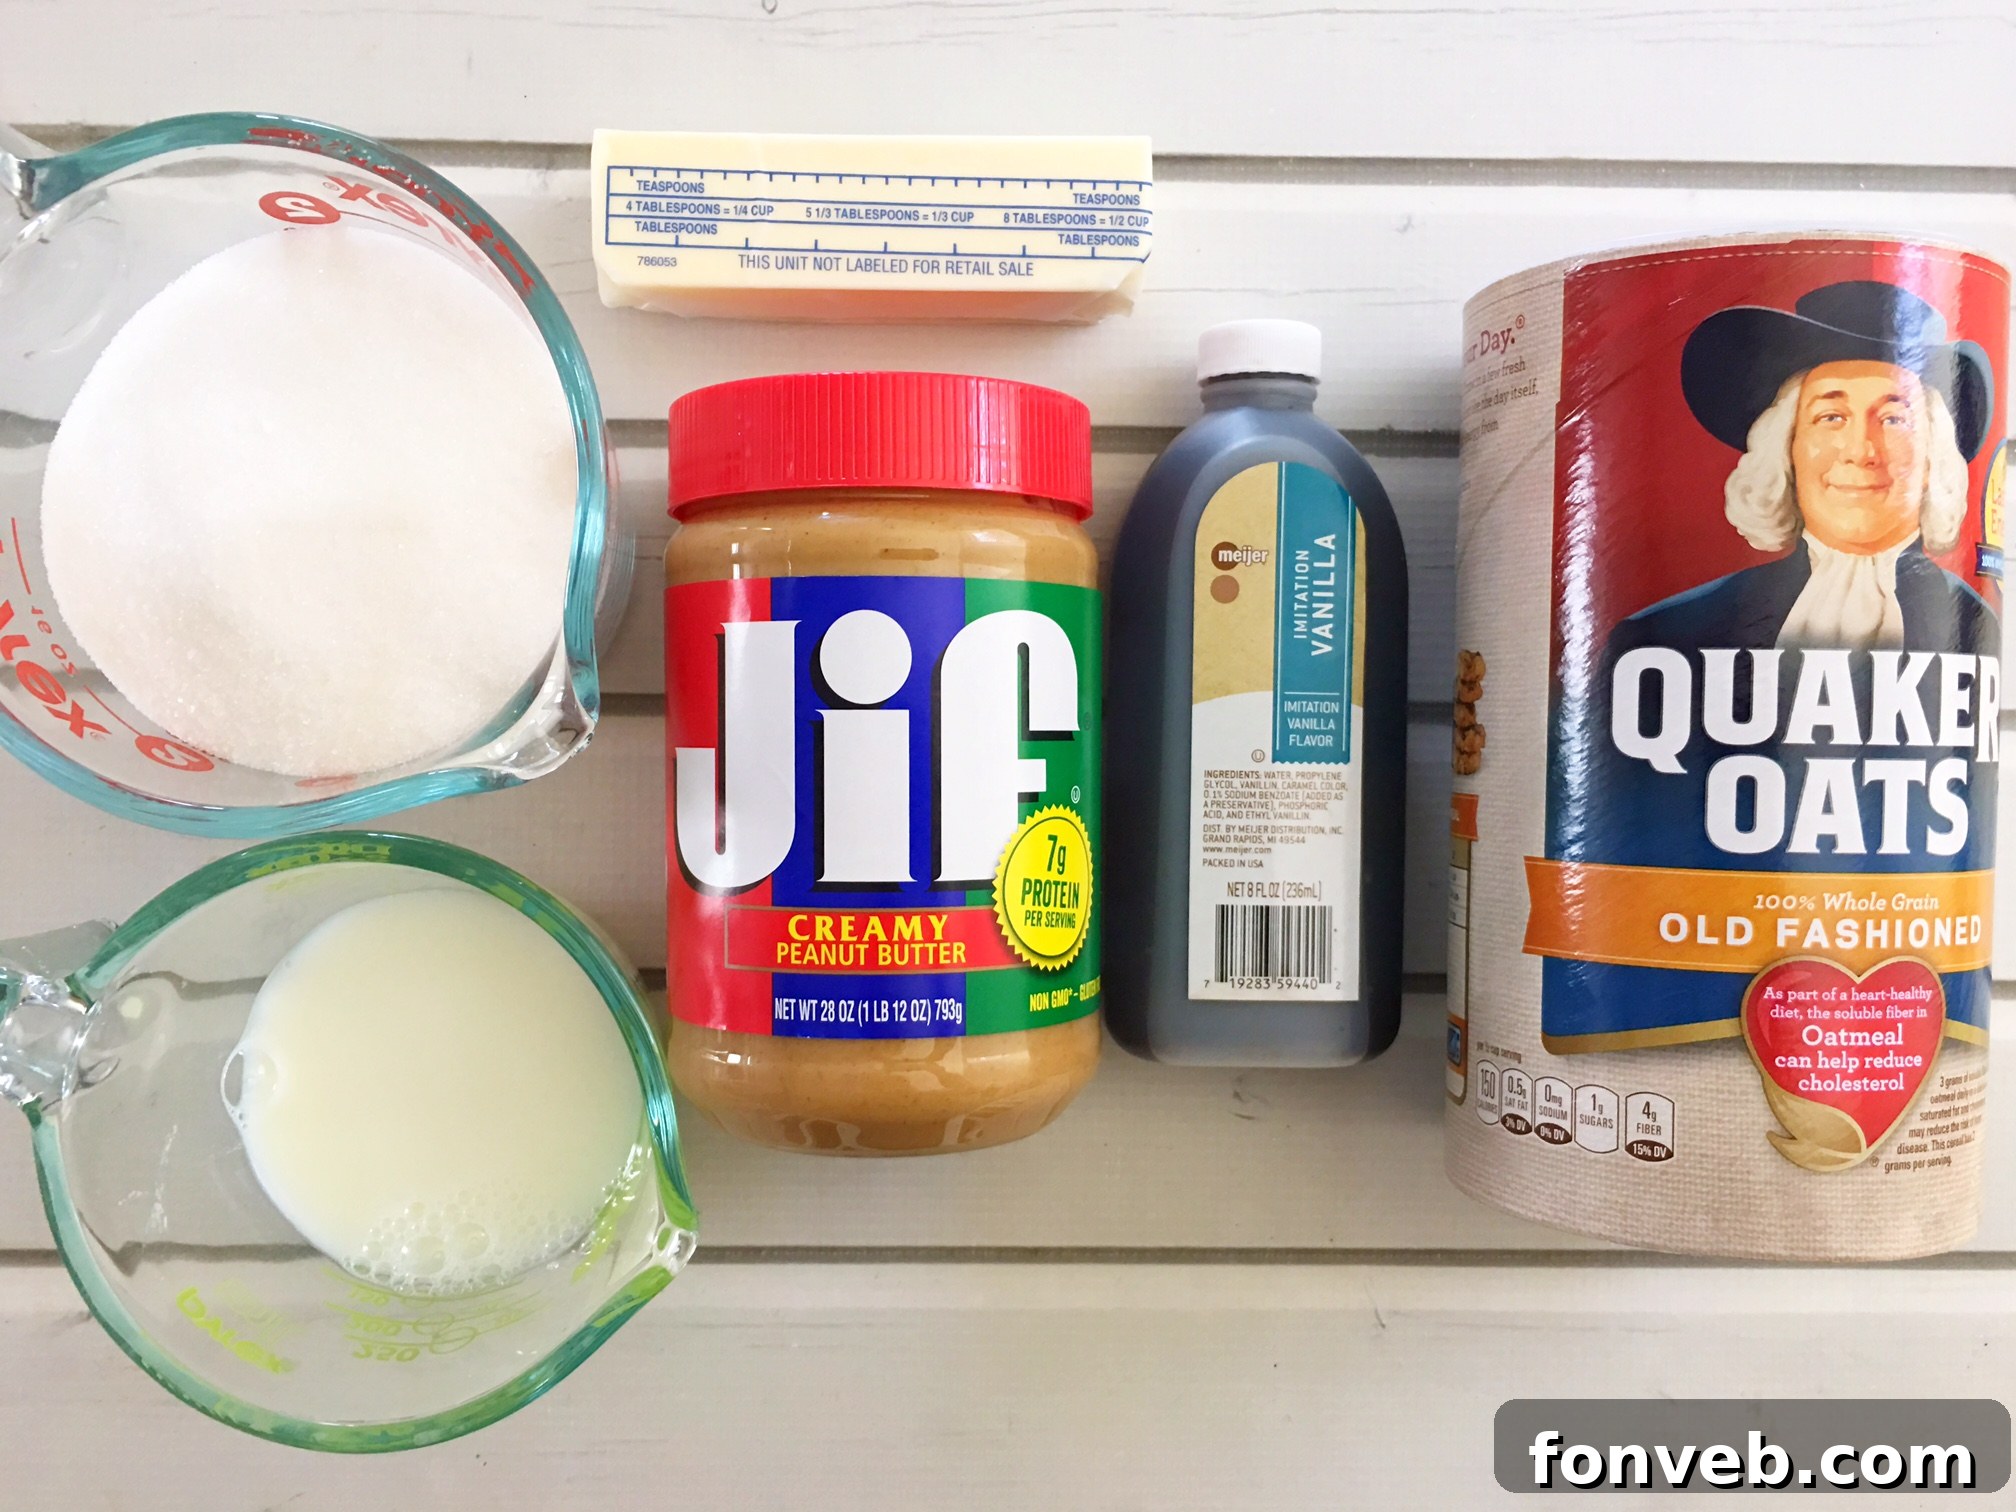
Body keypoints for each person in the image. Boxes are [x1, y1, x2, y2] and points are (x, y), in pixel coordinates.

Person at [1614, 279, 1996, 658]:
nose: (1861, 450)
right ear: (1787, 448)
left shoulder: (1976, 627)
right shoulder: (1665, 637)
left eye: (1894, 419)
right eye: (1831, 417)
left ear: (1934, 458)